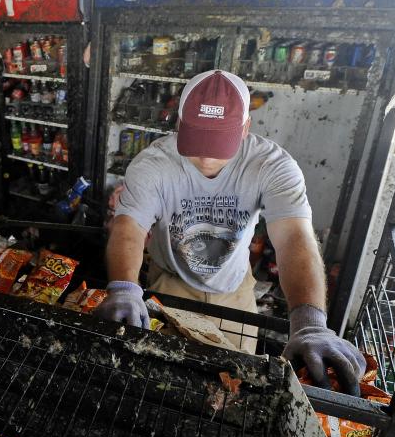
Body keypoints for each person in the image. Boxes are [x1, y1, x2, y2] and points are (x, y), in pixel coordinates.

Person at [95, 69, 365, 394]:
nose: (206, 156)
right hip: (170, 286)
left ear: (245, 128)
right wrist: (124, 288)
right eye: (196, 141)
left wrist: (309, 322)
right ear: (179, 124)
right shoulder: (153, 164)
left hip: (235, 291)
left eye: (219, 143)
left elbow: (294, 237)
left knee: (235, 387)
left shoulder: (272, 165)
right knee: (167, 384)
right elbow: (129, 227)